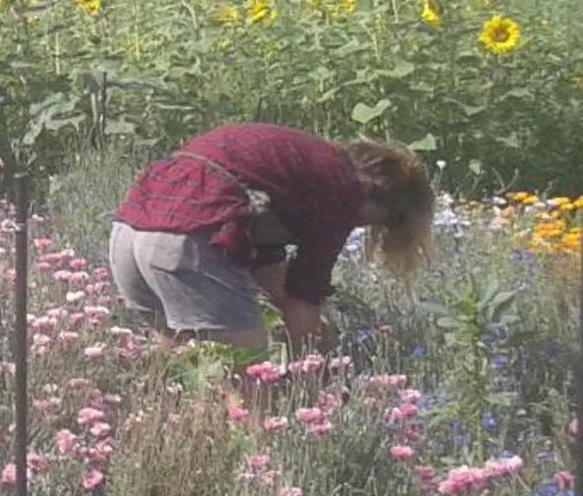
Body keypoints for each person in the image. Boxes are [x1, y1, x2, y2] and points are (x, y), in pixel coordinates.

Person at [110, 123, 433, 352]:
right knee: (251, 387)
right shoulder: (342, 187)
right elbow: (306, 292)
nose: (362, 228)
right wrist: (310, 373)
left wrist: (295, 311)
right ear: (384, 196)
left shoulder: (298, 163)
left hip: (130, 232)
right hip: (185, 240)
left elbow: (265, 263)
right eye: (384, 222)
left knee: (184, 374)